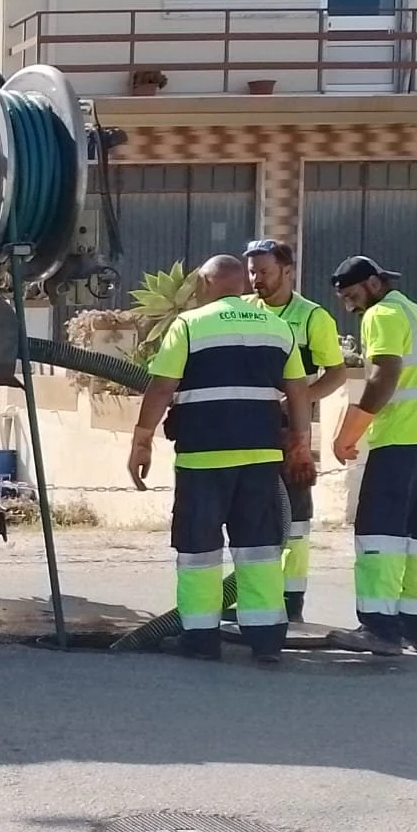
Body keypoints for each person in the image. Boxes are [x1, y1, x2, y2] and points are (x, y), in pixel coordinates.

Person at [128, 254, 313, 662]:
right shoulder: (278, 327)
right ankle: (266, 639)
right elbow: (298, 392)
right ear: (241, 287)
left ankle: (200, 638)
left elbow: (161, 388)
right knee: (261, 548)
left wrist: (141, 441)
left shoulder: (190, 325)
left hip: (202, 460)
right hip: (261, 460)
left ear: (203, 285)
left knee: (199, 550)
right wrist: (300, 443)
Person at [330, 255, 417, 653]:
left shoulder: (381, 314)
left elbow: (384, 374)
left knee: (378, 532)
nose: (350, 305)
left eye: (352, 295)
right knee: (414, 536)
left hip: (400, 435)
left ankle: (379, 628)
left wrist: (348, 434)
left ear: (375, 284)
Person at [243, 239, 348, 621]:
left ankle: (291, 601)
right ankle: (256, 595)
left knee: (296, 518)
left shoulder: (312, 317)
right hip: (249, 428)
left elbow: (336, 373)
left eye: (264, 272)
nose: (256, 280)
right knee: (252, 514)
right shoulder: (244, 312)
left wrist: (299, 401)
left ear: (288, 272)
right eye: (252, 272)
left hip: (291, 432)